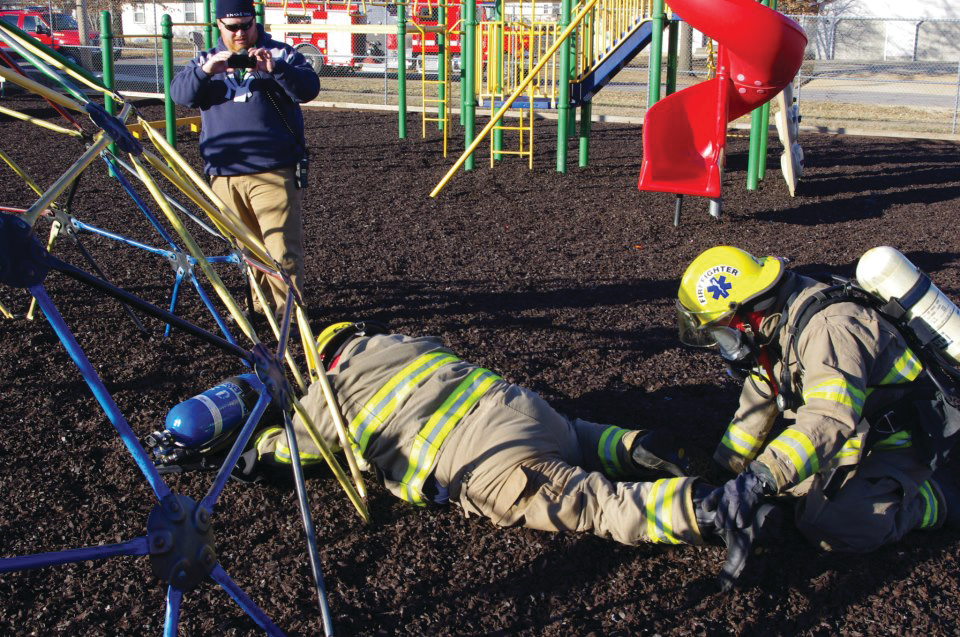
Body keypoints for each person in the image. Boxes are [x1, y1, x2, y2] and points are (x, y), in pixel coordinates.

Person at [243, 321, 778, 588]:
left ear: (326, 360)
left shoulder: (329, 391)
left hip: (484, 458)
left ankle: (712, 509)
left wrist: (253, 449)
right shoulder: (410, 342)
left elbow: (297, 449)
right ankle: (636, 445)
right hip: (523, 411)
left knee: (591, 502)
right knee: (575, 437)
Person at [675, 246, 960, 553]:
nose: (721, 342)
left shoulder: (830, 329)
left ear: (749, 313)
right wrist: (725, 470)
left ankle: (933, 497)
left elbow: (828, 417)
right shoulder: (776, 324)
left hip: (907, 436)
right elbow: (759, 399)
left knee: (835, 525)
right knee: (793, 492)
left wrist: (760, 479)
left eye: (720, 330)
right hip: (860, 428)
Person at [169, 0, 320, 320]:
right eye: (232, 27)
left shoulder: (281, 54)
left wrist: (276, 70)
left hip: (273, 169)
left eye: (246, 25)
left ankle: (288, 318)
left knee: (281, 250)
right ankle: (260, 309)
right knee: (247, 252)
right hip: (225, 173)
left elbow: (309, 88)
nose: (240, 33)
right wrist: (204, 71)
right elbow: (180, 94)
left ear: (255, 22)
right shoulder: (207, 59)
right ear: (219, 26)